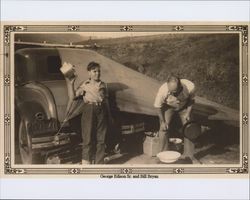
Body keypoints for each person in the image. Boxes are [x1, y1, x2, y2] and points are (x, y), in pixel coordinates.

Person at [65, 61, 112, 164]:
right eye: (94, 71)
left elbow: (106, 101)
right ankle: (86, 162)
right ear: (89, 73)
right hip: (89, 110)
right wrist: (71, 84)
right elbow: (72, 97)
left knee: (101, 139)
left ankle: (99, 162)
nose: (97, 73)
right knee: (88, 138)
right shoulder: (85, 84)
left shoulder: (104, 84)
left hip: (101, 110)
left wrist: (109, 115)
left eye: (99, 71)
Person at [154, 74, 197, 162]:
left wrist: (188, 113)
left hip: (184, 106)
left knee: (189, 128)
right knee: (163, 129)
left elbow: (192, 101)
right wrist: (163, 122)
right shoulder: (163, 90)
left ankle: (189, 156)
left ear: (180, 86)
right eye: (171, 91)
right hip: (169, 106)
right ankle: (162, 155)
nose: (173, 93)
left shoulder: (190, 86)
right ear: (167, 86)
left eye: (175, 91)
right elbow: (157, 106)